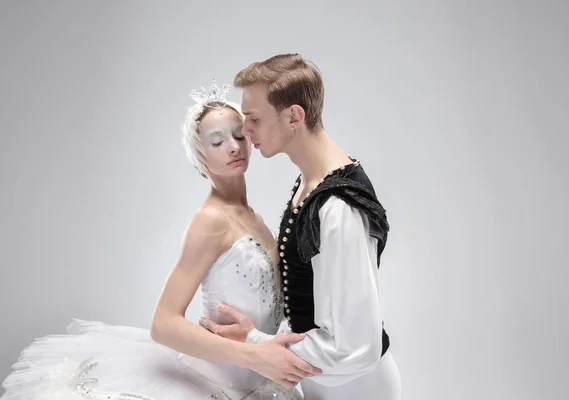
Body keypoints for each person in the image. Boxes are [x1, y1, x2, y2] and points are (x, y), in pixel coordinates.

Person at [0, 80, 321, 400]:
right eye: (217, 141)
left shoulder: (253, 217)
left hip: (265, 382)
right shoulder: (210, 221)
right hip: (219, 384)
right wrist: (253, 354)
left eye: (238, 134)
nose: (234, 146)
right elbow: (164, 324)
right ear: (200, 154)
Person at [200, 54, 403, 400]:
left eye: (253, 119)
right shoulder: (310, 183)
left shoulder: (338, 208)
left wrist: (254, 343)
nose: (245, 132)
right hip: (322, 384)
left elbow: (355, 347)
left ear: (293, 116)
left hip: (356, 391)